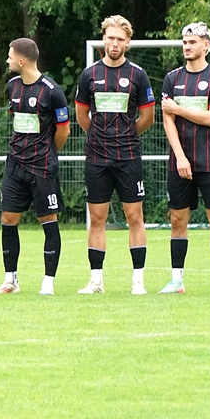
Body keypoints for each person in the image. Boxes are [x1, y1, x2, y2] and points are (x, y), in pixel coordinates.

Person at [73, 15, 155, 295]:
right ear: (104, 39)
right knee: (97, 219)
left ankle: (138, 282)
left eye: (120, 39)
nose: (115, 43)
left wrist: (125, 134)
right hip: (97, 157)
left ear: (128, 43)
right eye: (111, 38)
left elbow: (147, 117)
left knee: (135, 217)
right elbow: (82, 116)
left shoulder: (138, 75)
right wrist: (100, 136)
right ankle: (96, 281)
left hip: (128, 155)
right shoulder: (89, 75)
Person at [0, 37, 70, 296]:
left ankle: (48, 282)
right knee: (8, 218)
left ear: (22, 61)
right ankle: (10, 280)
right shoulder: (12, 86)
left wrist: (46, 152)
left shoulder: (52, 91)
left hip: (42, 167)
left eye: (10, 56)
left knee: (48, 220)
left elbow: (63, 131)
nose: (8, 60)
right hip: (15, 165)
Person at [159, 22, 210, 295]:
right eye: (185, 42)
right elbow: (167, 120)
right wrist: (180, 156)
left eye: (193, 42)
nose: (187, 46)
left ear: (206, 45)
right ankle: (176, 280)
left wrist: (178, 108)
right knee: (177, 220)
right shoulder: (172, 79)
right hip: (179, 160)